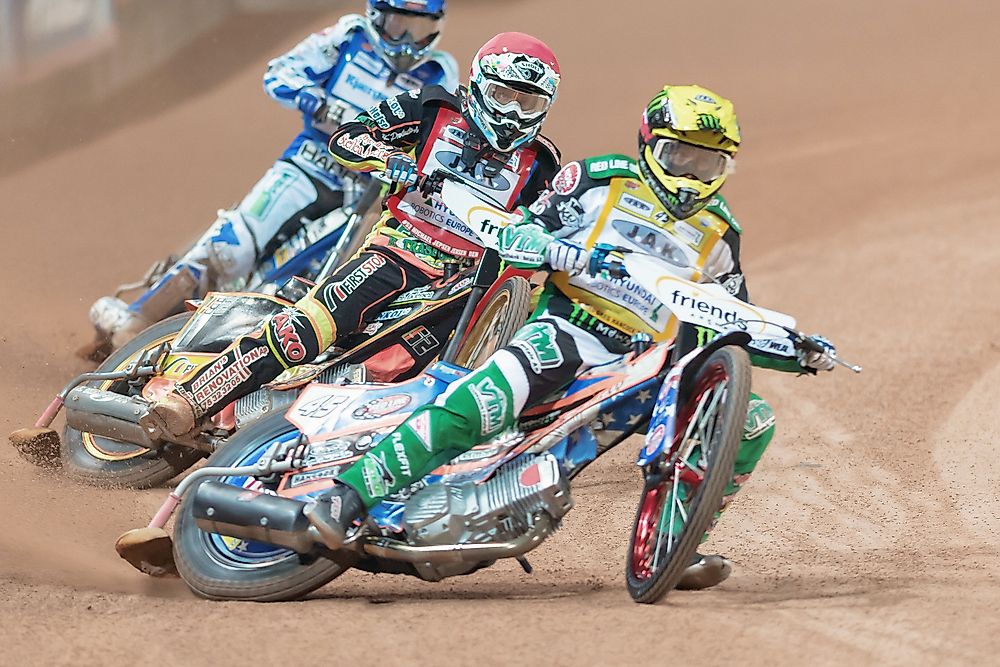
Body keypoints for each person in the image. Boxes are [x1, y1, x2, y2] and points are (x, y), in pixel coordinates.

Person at [300, 84, 839, 590]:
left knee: (751, 422)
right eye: (682, 158)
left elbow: (732, 318)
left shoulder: (721, 232)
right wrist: (547, 247)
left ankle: (679, 538)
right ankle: (348, 496)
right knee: (482, 404)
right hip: (568, 328)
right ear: (651, 144)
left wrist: (799, 350)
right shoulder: (597, 179)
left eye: (708, 163)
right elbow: (524, 228)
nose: (692, 176)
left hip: (650, 361)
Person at [148, 32, 563, 436]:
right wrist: (386, 157)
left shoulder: (542, 164)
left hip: (464, 283)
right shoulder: (431, 108)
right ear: (478, 85)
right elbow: (350, 136)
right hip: (398, 251)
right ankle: (190, 398)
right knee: (311, 326)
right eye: (504, 95)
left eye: (528, 101)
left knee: (399, 366)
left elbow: (557, 231)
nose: (513, 112)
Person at [89, 1, 459, 350]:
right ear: (377, 17)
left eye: (419, 28)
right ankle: (137, 319)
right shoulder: (350, 38)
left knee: (309, 282)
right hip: (310, 163)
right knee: (233, 248)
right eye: (399, 26)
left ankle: (225, 346)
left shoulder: (440, 72)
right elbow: (280, 72)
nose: (408, 41)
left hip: (367, 194)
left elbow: (442, 137)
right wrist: (311, 98)